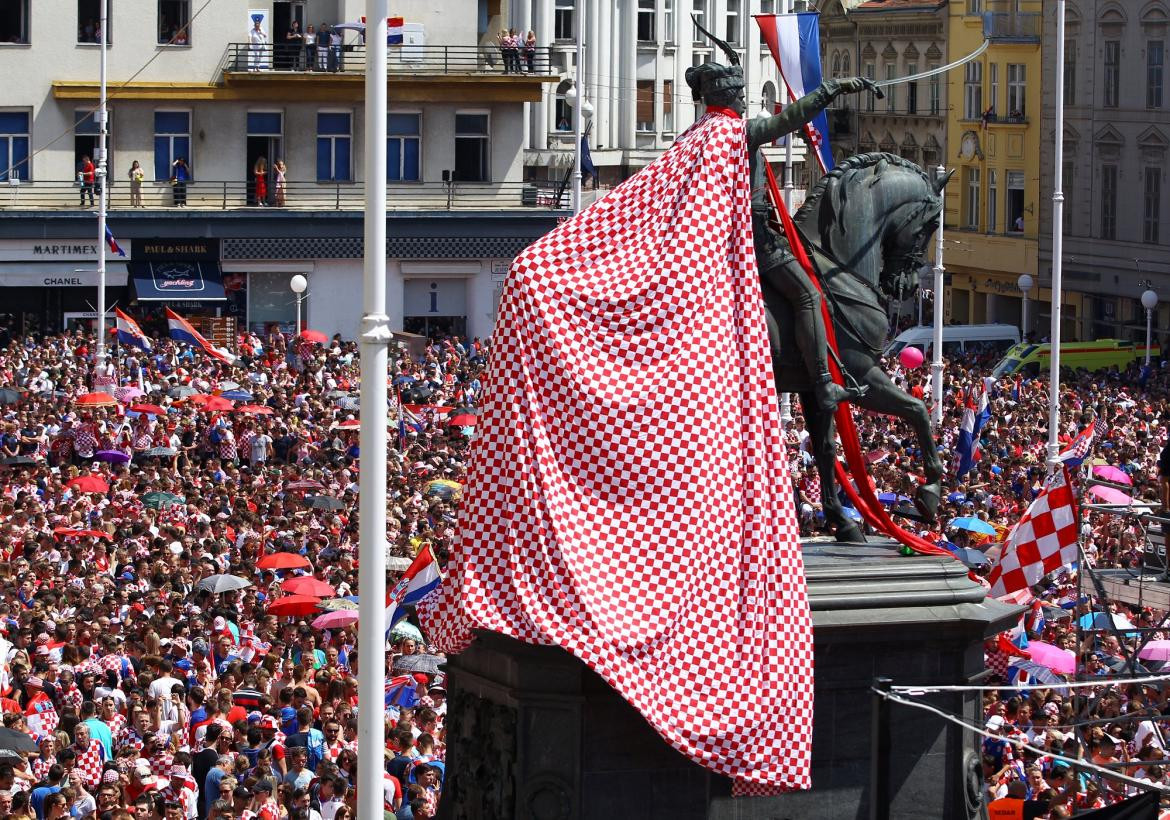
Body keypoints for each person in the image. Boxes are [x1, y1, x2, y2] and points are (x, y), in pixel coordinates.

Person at [689, 20, 875, 413]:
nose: (744, 102)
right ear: (727, 96)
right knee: (808, 294)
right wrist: (834, 88)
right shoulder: (734, 131)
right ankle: (823, 384)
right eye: (740, 95)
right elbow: (790, 119)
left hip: (720, 234)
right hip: (752, 236)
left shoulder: (698, 132)